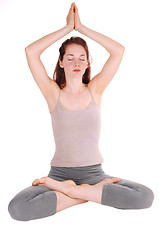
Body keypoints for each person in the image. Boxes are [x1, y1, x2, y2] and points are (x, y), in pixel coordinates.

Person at [8, 2, 154, 221]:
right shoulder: (52, 93)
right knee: (18, 209)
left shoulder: (96, 89)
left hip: (95, 175)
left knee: (145, 197)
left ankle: (73, 191)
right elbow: (31, 52)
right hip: (58, 174)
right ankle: (84, 193)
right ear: (61, 62)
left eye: (82, 58)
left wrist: (82, 27)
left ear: (87, 63)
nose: (76, 62)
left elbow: (118, 51)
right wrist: (67, 28)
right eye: (70, 58)